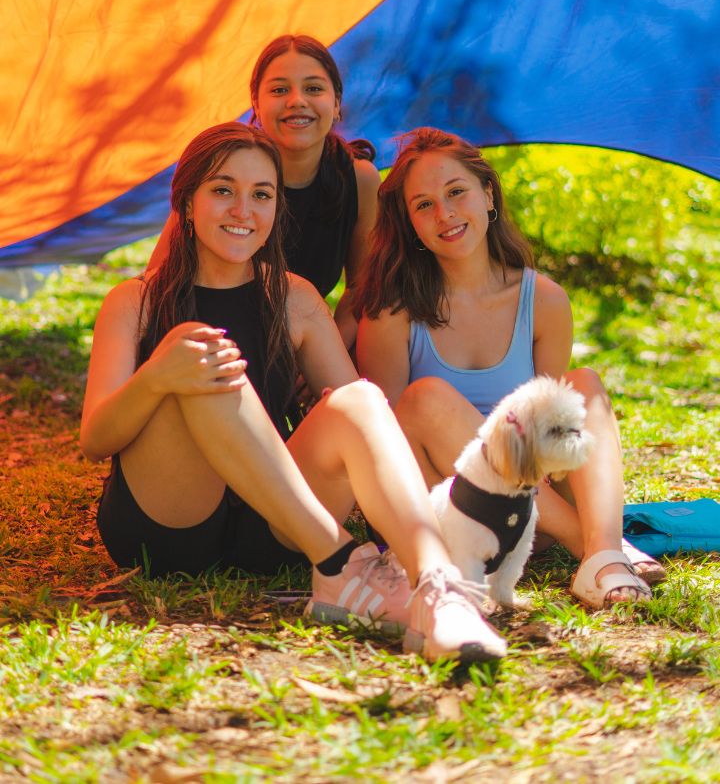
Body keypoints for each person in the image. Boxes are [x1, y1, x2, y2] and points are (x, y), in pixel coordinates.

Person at [81, 121, 507, 663]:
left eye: (261, 195)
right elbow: (95, 438)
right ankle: (341, 565)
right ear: (186, 203)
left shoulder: (295, 298)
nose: (243, 210)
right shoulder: (134, 301)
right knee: (201, 351)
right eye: (223, 190)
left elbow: (362, 426)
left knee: (362, 399)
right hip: (168, 526)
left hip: (274, 527)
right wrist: (157, 377)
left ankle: (438, 589)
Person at [355, 127, 666, 610]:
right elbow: (386, 446)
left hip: (533, 515)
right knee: (424, 398)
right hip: (451, 515)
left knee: (580, 385)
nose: (445, 214)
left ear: (488, 195)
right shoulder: (391, 313)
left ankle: (603, 550)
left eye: (456, 192)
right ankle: (596, 552)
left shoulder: (542, 299)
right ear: (409, 222)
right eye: (424, 205)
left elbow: (551, 430)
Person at [149, 35, 379, 353]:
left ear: (337, 103)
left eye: (313, 88)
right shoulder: (220, 166)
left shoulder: (358, 179)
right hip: (206, 343)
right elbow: (158, 278)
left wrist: (322, 351)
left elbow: (362, 287)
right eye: (279, 90)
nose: (297, 100)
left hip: (302, 341)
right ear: (256, 104)